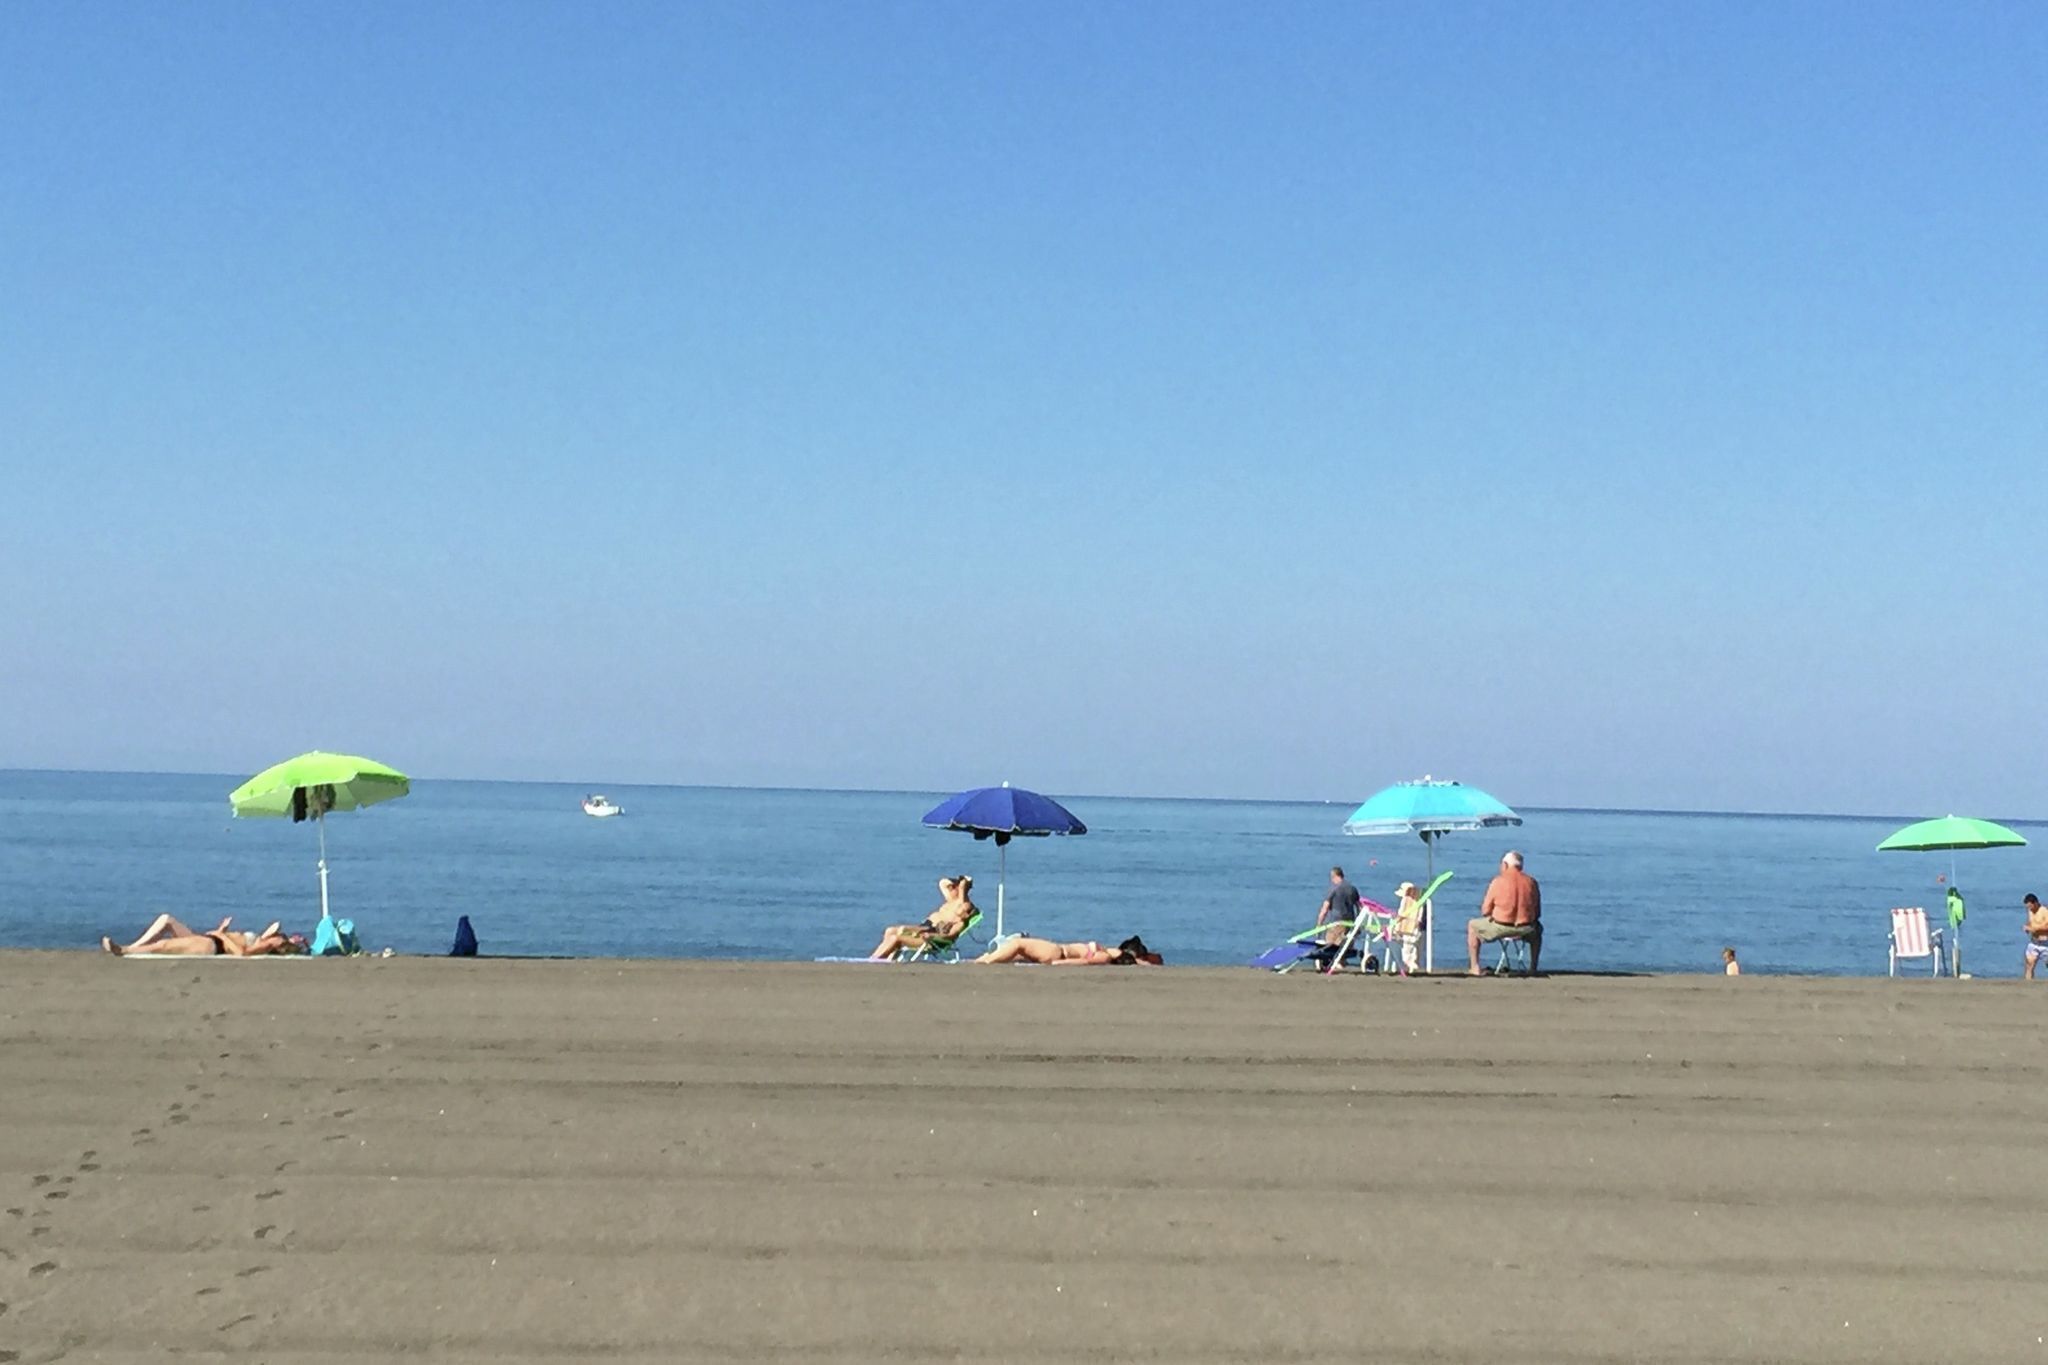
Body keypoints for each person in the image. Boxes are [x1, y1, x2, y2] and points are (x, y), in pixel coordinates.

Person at [1467, 850, 1541, 975]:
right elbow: (1537, 912)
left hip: (1501, 927)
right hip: (1526, 929)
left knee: (1472, 926)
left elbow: (1485, 910)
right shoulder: (1532, 882)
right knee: (1538, 929)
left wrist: (1493, 915)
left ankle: (1475, 967)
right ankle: (1533, 967)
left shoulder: (1498, 881)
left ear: (1505, 865)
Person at [867, 876, 976, 959]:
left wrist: (963, 888)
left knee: (896, 938)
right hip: (927, 930)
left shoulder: (959, 921)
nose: (951, 890)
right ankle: (884, 959)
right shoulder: (952, 901)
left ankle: (875, 960)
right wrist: (961, 882)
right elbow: (943, 882)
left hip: (932, 941)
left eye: (954, 888)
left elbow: (948, 936)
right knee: (890, 931)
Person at [101, 914, 293, 957]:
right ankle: (132, 945)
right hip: (209, 939)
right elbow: (274, 927)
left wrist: (221, 934)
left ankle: (125, 950)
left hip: (212, 945)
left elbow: (241, 953)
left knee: (164, 945)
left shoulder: (268, 944)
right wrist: (223, 930)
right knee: (166, 919)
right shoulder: (265, 939)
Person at [975, 934, 1161, 965]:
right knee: (1016, 952)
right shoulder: (1107, 953)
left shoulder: (1104, 957)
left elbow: (1084, 962)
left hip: (1058, 952)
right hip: (1058, 953)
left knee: (1017, 943)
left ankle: (986, 961)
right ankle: (987, 959)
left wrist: (1059, 963)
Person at [1316, 866, 1363, 946]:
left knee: (1331, 950)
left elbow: (1324, 909)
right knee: (1344, 952)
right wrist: (1358, 925)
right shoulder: (1352, 889)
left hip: (1336, 925)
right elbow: (1360, 908)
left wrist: (1319, 926)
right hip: (1350, 925)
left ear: (1333, 876)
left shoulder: (1333, 889)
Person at [2023, 894, 2048, 980]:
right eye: (2027, 907)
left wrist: (2035, 929)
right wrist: (2027, 927)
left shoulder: (2044, 911)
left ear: (2036, 903)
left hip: (2046, 943)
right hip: (2034, 943)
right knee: (2029, 965)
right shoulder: (2030, 911)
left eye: (2030, 906)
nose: (2029, 909)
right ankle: (2028, 986)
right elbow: (2031, 922)